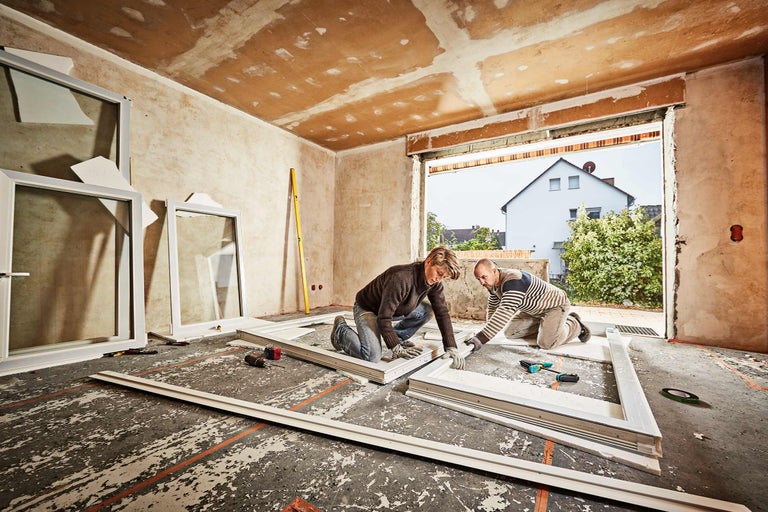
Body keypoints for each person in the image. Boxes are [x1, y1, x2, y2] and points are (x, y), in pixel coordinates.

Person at [330, 246, 466, 369]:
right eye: (439, 273)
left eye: (444, 277)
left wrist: (451, 346)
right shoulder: (400, 278)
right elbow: (384, 318)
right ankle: (340, 332)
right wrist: (396, 349)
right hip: (369, 309)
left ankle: (398, 337)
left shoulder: (434, 284)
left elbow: (442, 313)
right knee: (371, 357)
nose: (439, 279)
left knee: (428, 311)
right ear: (429, 261)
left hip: (395, 309)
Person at [465, 258, 590, 353]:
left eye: (483, 277)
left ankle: (575, 324)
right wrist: (485, 330)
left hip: (554, 306)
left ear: (494, 271)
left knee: (546, 343)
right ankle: (548, 326)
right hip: (533, 310)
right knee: (510, 333)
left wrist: (480, 338)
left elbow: (504, 312)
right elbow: (493, 307)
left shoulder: (513, 280)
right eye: (478, 279)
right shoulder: (492, 284)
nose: (481, 282)